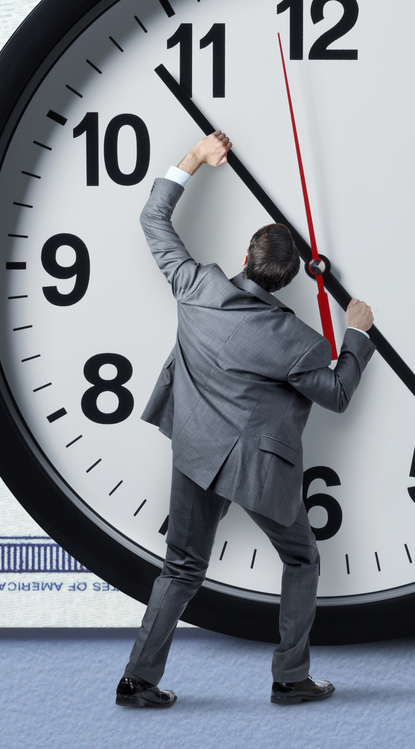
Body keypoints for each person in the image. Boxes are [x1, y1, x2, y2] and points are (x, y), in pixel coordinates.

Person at [115, 130, 376, 709]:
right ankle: (290, 678)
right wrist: (357, 332)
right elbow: (336, 393)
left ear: (244, 258)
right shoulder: (296, 341)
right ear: (290, 282)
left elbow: (153, 218)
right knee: (303, 557)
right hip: (256, 468)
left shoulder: (195, 285)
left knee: (180, 567)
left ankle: (137, 681)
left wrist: (196, 159)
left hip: (195, 450)